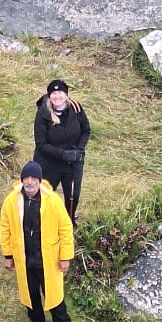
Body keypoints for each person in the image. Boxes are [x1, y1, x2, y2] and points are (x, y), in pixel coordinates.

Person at [0, 160, 74, 322]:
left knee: (54, 295)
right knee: (31, 294)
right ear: (22, 180)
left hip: (48, 261)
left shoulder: (53, 201)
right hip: (25, 260)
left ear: (40, 181)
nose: (30, 181)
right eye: (26, 177)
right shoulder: (11, 201)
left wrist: (65, 257)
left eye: (34, 178)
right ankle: (36, 321)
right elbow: (5, 228)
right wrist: (8, 255)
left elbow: (66, 229)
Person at [32, 78, 90, 223]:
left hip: (73, 162)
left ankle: (68, 223)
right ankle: (40, 223)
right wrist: (63, 155)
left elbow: (86, 130)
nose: (57, 96)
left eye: (60, 93)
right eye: (53, 93)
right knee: (44, 195)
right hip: (48, 162)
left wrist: (78, 150)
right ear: (49, 96)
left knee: (73, 196)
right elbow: (41, 144)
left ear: (66, 94)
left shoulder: (76, 108)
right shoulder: (43, 113)